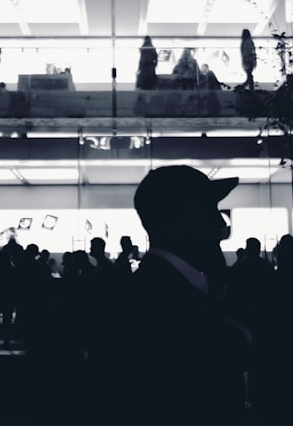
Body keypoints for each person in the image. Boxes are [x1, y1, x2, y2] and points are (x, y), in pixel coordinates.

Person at [94, 165, 252, 426]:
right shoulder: (155, 304)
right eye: (209, 211)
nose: (220, 224)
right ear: (181, 220)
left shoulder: (159, 291)